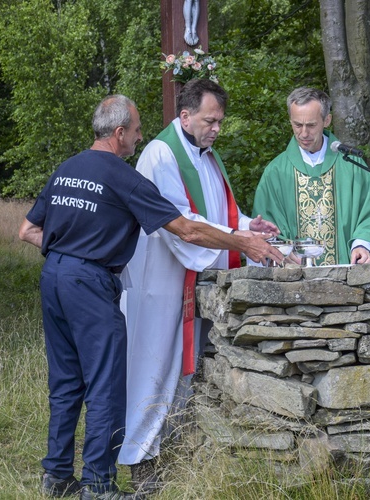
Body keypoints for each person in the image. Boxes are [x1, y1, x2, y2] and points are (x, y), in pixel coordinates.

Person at [19, 95, 281, 499]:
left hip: (53, 275)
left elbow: (27, 231)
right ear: (120, 133)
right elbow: (186, 230)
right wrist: (241, 241)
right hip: (89, 282)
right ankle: (98, 487)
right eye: (138, 131)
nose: (141, 138)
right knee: (106, 384)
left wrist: (69, 253)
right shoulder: (122, 176)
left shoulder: (67, 168)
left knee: (67, 380)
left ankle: (56, 476)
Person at [118, 78, 280, 492]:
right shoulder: (161, 154)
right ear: (185, 116)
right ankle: (140, 461)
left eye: (220, 121)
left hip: (191, 279)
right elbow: (183, 225)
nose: (216, 129)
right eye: (210, 121)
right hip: (159, 280)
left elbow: (219, 214)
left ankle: (170, 449)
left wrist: (248, 225)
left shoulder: (208, 156)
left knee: (184, 369)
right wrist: (241, 240)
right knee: (151, 365)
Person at [252, 87, 370, 265]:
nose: (304, 133)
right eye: (297, 125)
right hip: (293, 280)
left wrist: (363, 245)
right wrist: (281, 251)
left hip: (348, 279)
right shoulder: (276, 172)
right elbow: (265, 227)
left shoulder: (350, 165)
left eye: (311, 125)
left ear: (327, 120)